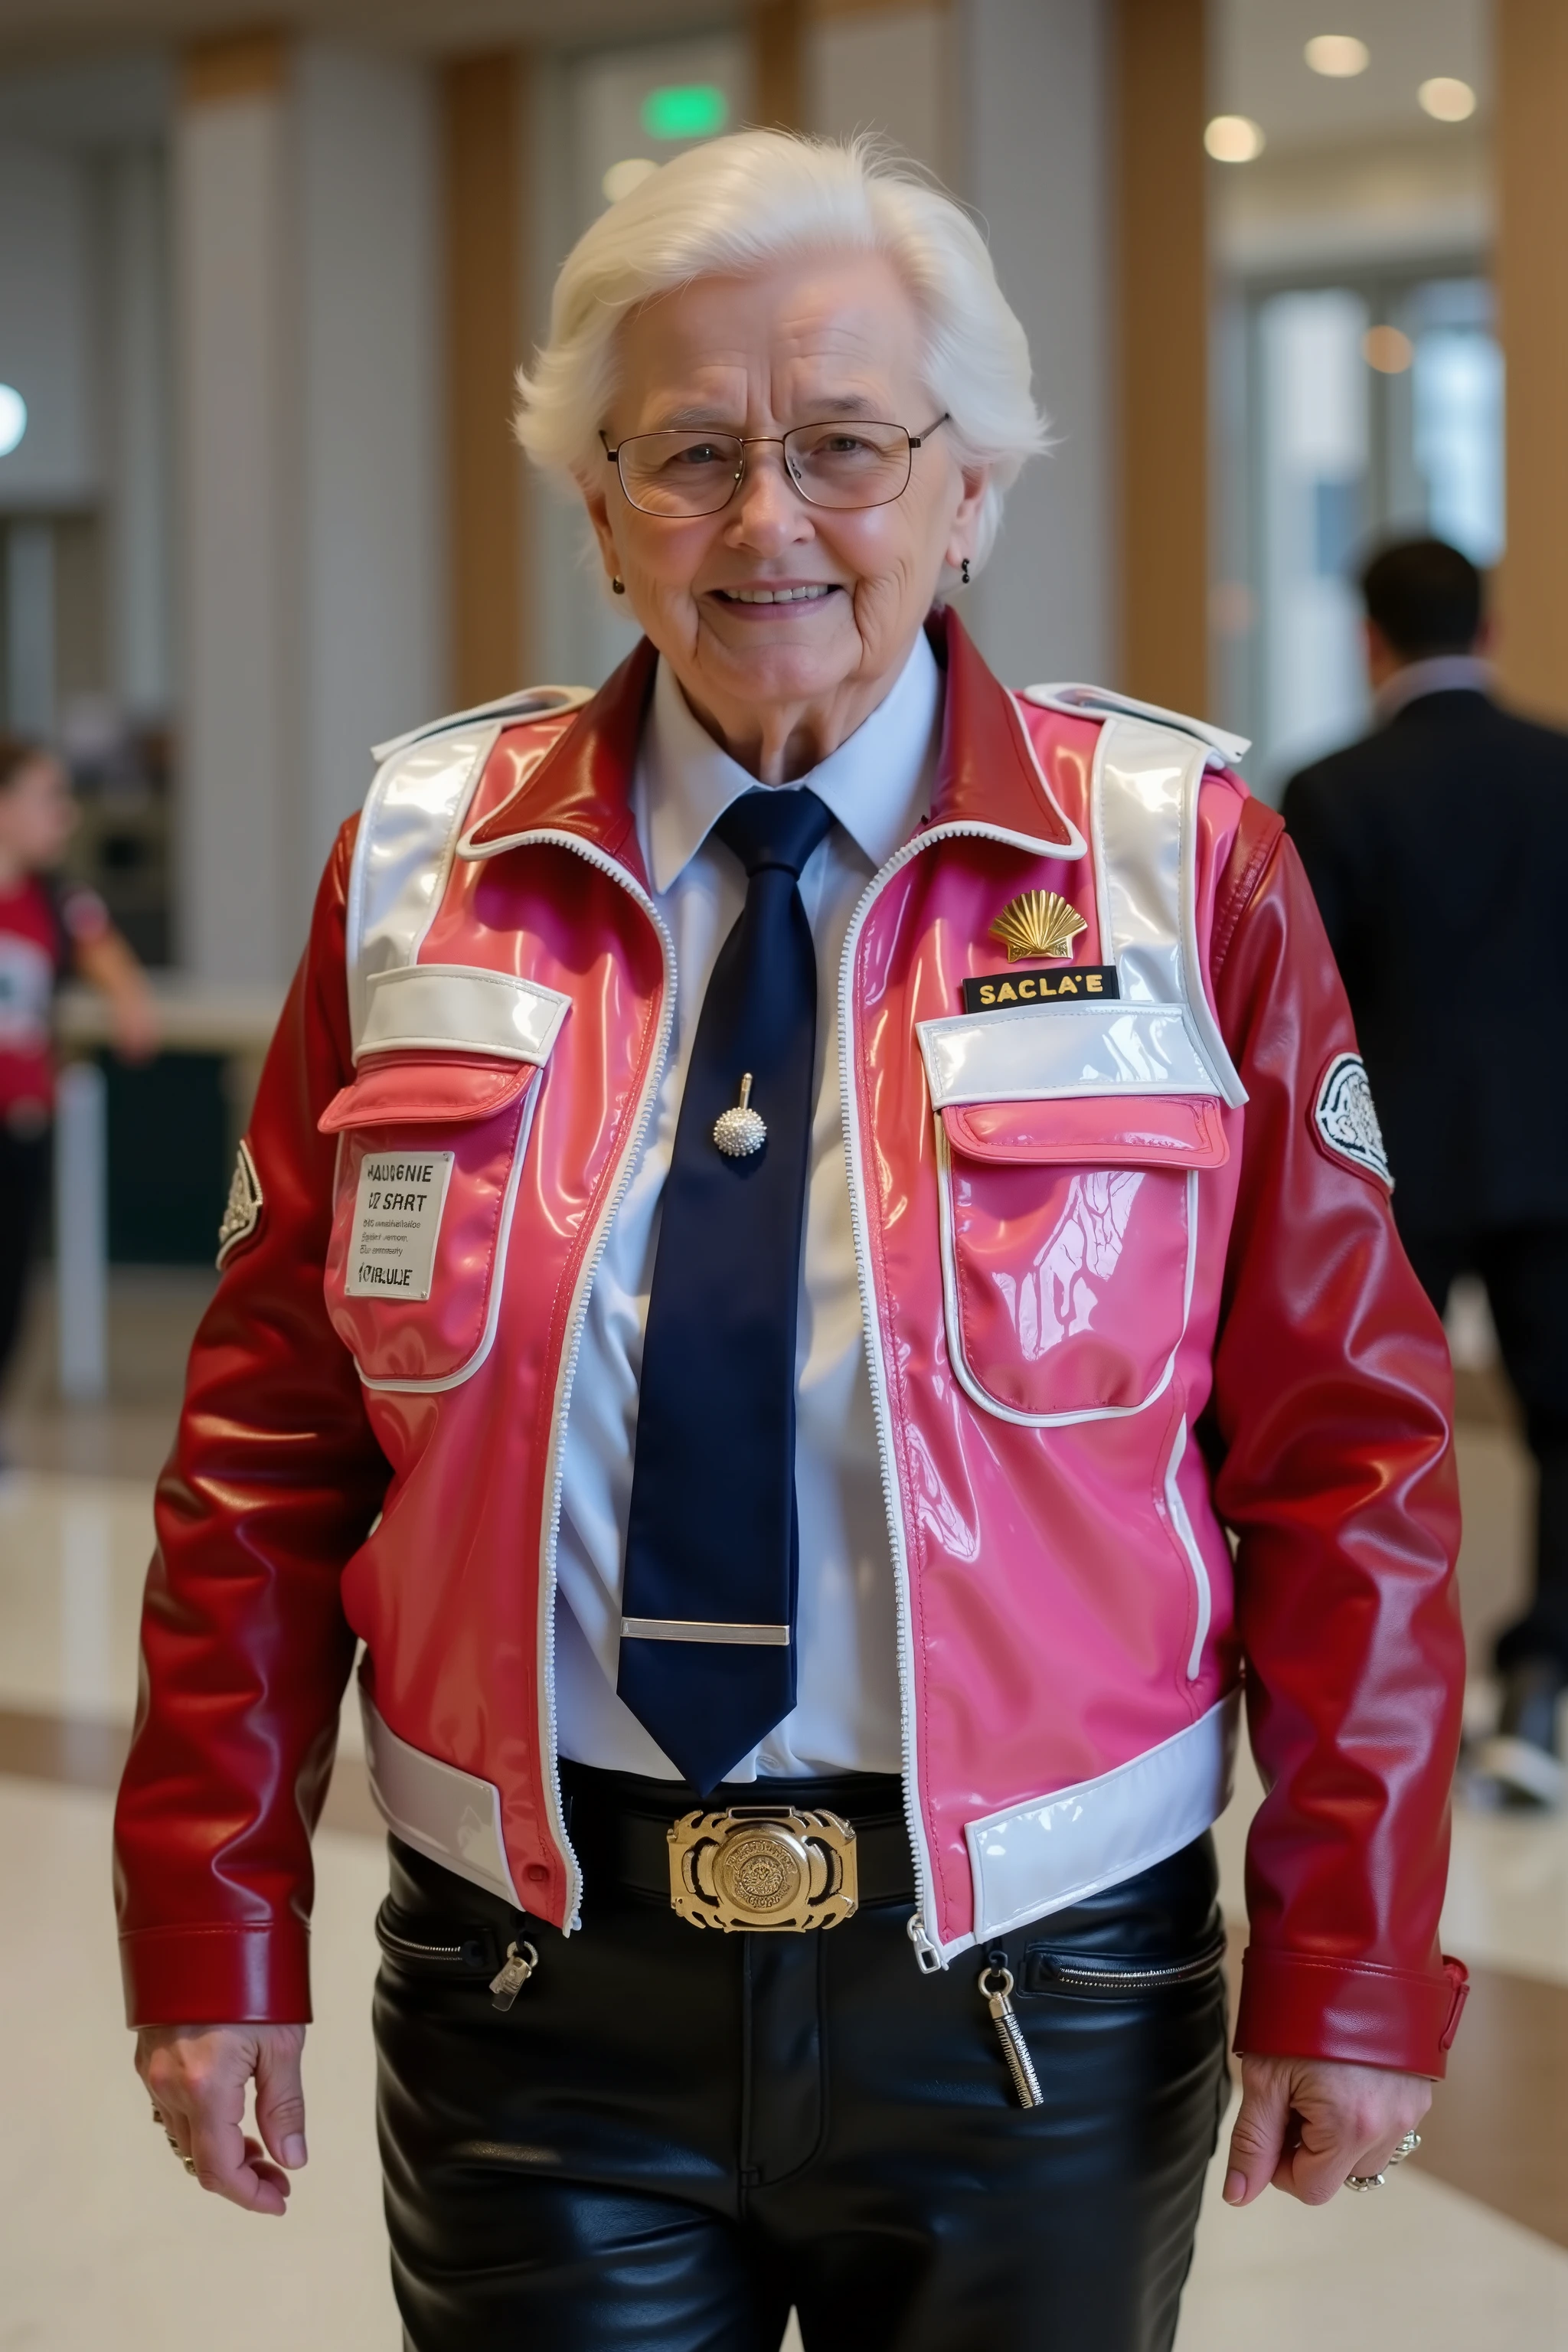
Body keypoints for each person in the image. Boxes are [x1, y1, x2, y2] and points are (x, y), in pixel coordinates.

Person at [116, 135, 1466, 2351]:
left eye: (844, 447)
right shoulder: (415, 873)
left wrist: (1357, 1953)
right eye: (692, 455)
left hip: (1041, 1984)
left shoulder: (1177, 870)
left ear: (973, 489)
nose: (768, 524)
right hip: (529, 1986)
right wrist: (209, 1927)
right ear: (598, 505)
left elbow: (1348, 1458)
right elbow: (264, 1459)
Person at [1283, 537, 1568, 1809]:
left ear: (1367, 637)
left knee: (1381, 1435)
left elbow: (1310, 1003)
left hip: (1391, 1159)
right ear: (1488, 629)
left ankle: (1400, 1695)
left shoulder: (1333, 788)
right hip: (1555, 1149)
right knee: (1565, 1423)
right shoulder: (1556, 771)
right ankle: (1542, 1690)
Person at [0, 735, 158, 1403]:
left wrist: (126, 1002)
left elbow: (123, 984)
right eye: (47, 799)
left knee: (9, 1282)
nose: (64, 816)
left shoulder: (61, 902)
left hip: (21, 1124)